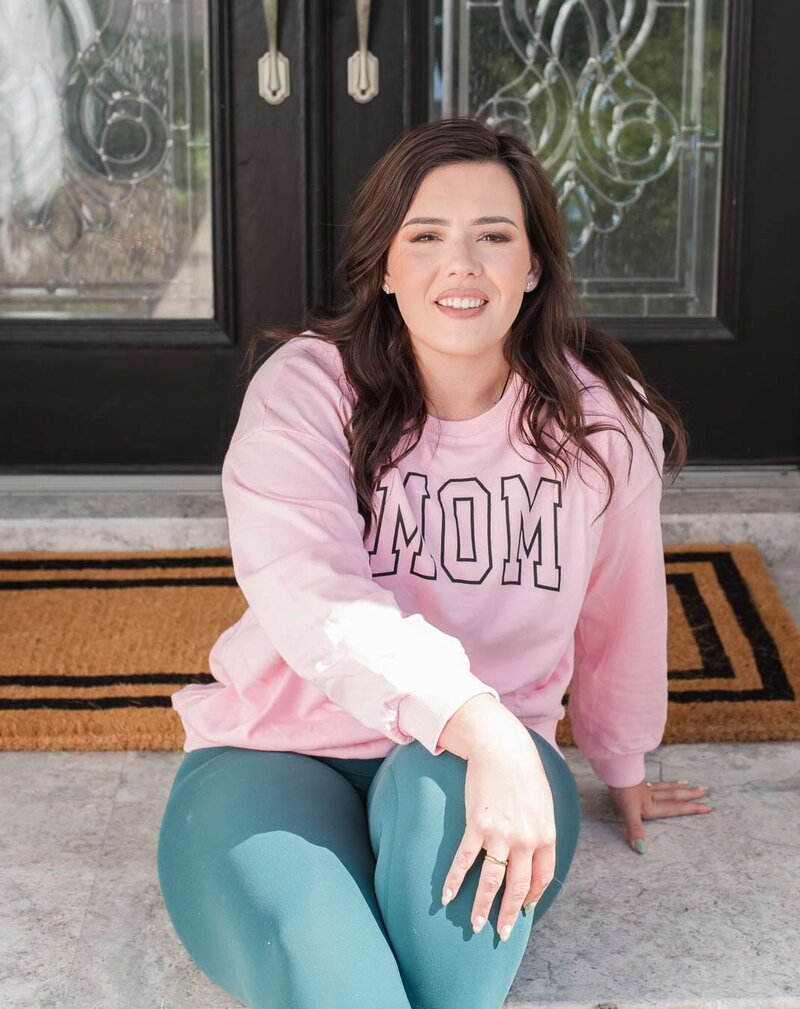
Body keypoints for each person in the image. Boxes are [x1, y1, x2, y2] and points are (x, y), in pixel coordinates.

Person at [157, 116, 711, 1009]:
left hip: (474, 771)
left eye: (494, 235)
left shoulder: (602, 423)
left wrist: (622, 758)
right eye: (426, 236)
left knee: (448, 985)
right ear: (384, 265)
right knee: (327, 972)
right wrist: (479, 718)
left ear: (532, 266)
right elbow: (316, 596)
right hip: (279, 751)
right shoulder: (305, 391)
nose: (463, 264)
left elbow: (622, 606)